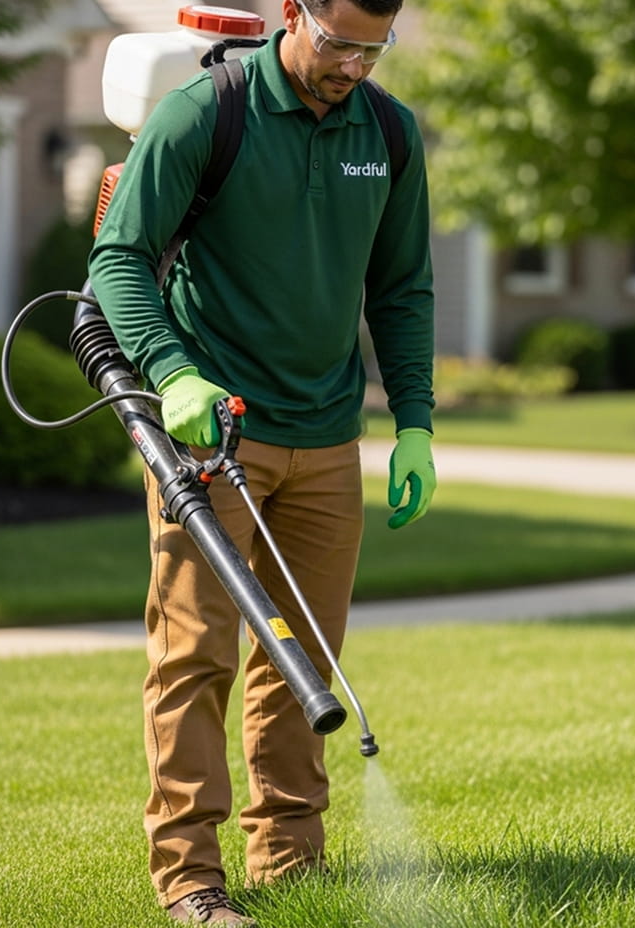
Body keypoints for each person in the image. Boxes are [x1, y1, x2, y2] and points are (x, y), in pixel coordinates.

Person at [88, 0, 436, 923]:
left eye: (375, 47)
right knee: (194, 655)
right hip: (211, 436)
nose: (355, 65)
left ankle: (289, 860)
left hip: (326, 438)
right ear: (295, 13)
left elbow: (401, 287)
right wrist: (174, 375)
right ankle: (192, 881)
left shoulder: (391, 133)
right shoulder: (206, 113)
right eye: (339, 42)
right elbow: (118, 258)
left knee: (303, 659)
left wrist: (416, 424)